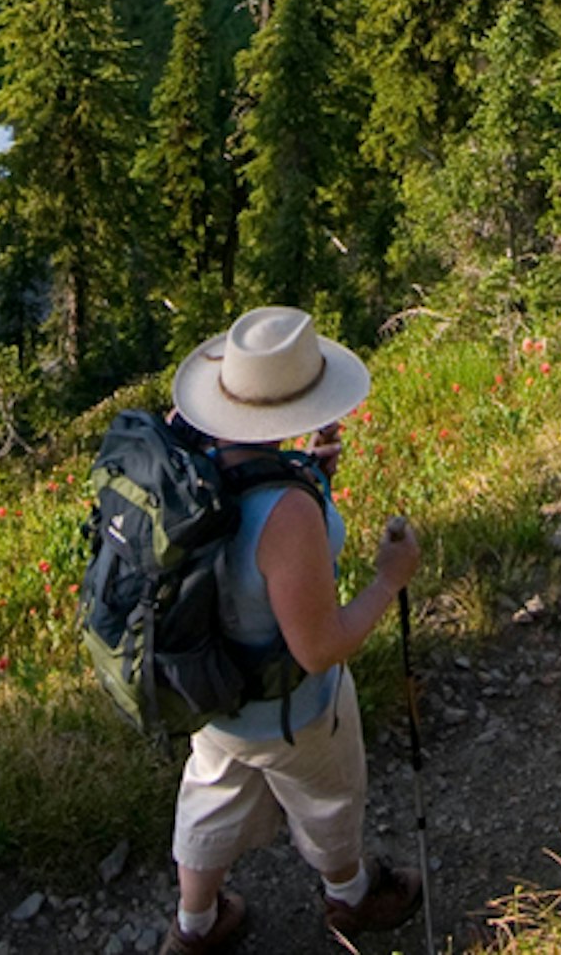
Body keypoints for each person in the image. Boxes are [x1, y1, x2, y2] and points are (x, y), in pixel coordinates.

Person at [161, 306, 425, 955]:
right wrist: (390, 579)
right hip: (290, 709)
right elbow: (320, 646)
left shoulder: (188, 455)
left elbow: (242, 558)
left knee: (212, 794)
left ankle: (196, 925)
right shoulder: (285, 512)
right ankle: (352, 894)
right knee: (328, 794)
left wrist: (310, 476)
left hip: (209, 688)